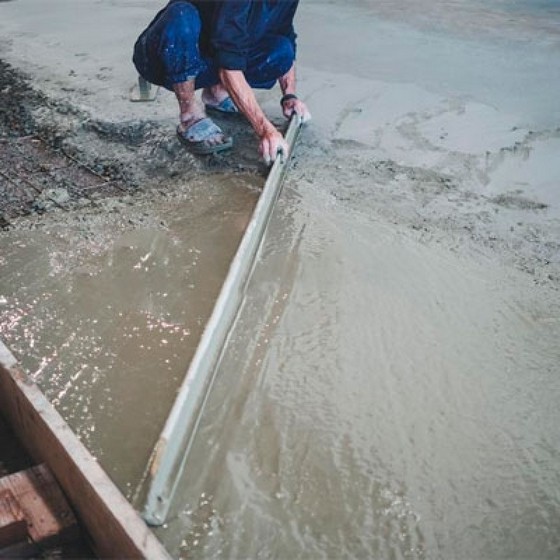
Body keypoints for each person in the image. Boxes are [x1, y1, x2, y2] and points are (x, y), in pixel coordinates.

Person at [133, 0, 311, 162]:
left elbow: (285, 34)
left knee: (281, 50)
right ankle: (190, 115)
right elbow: (229, 69)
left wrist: (289, 96)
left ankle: (216, 93)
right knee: (182, 16)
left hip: (208, 58)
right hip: (165, 58)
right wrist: (266, 130)